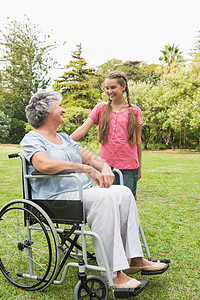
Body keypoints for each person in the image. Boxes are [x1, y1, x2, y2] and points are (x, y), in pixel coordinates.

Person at [20, 90, 167, 292]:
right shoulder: (32, 139)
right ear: (46, 110)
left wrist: (104, 167)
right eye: (59, 106)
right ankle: (113, 274)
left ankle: (134, 259)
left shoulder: (64, 138)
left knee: (123, 192)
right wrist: (84, 168)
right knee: (103, 196)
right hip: (55, 199)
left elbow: (90, 157)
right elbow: (43, 164)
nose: (63, 109)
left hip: (82, 193)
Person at [70, 71, 142, 200]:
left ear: (123, 87)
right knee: (108, 201)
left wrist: (139, 168)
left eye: (113, 87)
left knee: (126, 202)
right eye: (107, 88)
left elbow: (138, 142)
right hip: (106, 166)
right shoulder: (100, 108)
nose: (109, 91)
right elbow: (82, 129)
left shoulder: (135, 111)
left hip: (129, 167)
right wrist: (63, 142)